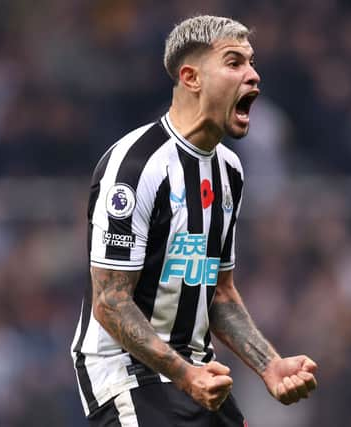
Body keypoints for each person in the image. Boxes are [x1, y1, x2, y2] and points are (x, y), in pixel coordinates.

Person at [71, 15, 318, 426]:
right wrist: (186, 375)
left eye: (253, 63)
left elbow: (218, 292)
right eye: (235, 62)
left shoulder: (229, 170)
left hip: (199, 375)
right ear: (191, 77)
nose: (254, 76)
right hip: (129, 378)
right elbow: (110, 301)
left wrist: (269, 366)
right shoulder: (135, 165)